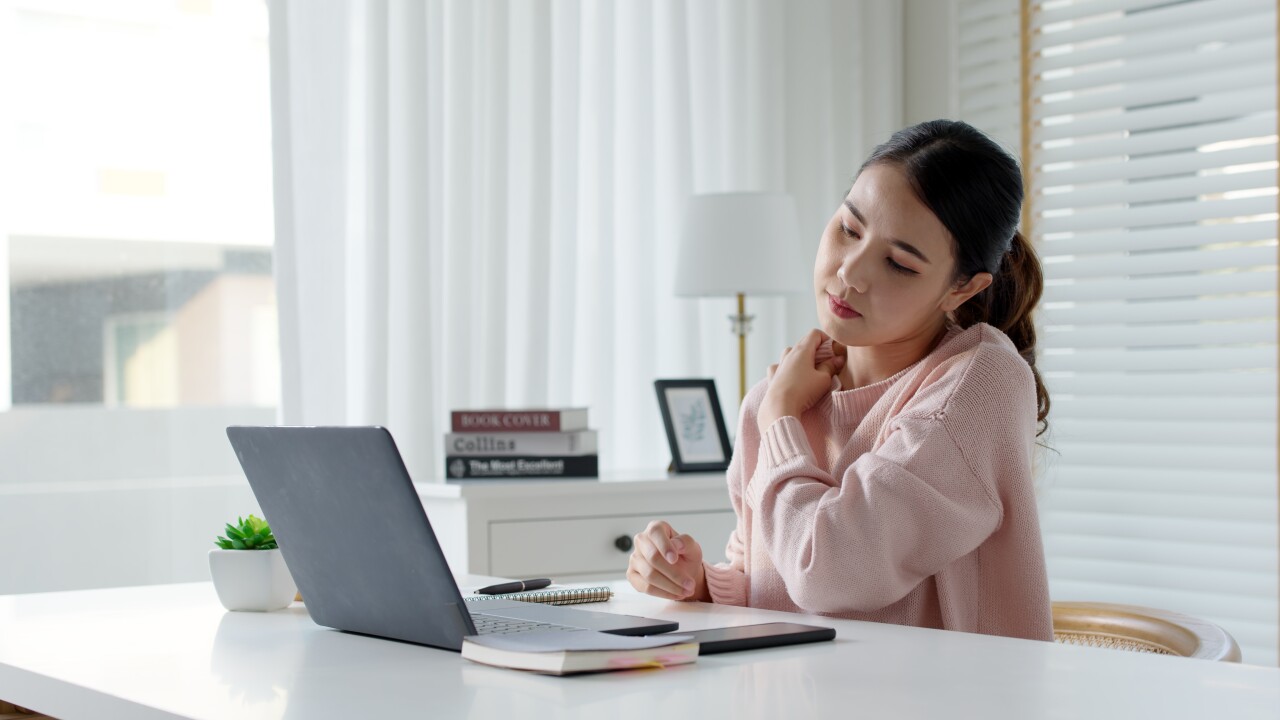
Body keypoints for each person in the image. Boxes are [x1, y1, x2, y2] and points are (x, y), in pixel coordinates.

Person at [627, 119, 1053, 641]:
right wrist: (695, 583)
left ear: (961, 289)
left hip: (948, 690)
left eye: (898, 263)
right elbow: (772, 585)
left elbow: (826, 573)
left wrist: (780, 419)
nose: (850, 272)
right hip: (796, 685)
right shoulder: (776, 398)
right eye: (849, 229)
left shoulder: (980, 381)